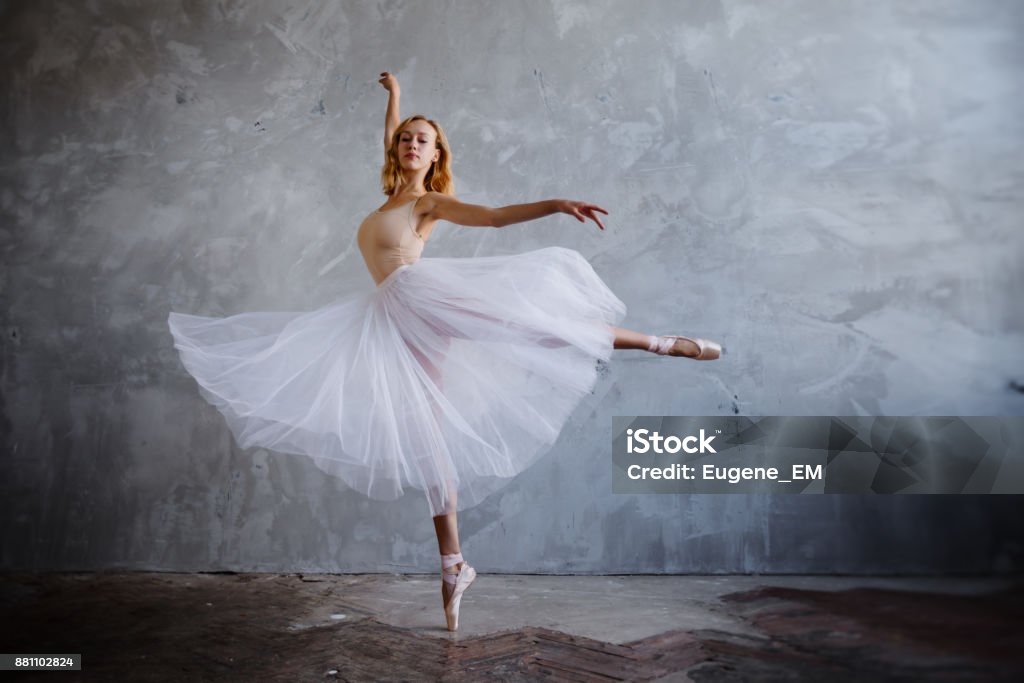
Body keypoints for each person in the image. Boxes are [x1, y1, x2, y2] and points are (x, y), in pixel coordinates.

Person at [167, 70, 722, 632]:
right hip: (394, 320)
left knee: (530, 326)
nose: (410, 144)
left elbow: (496, 217)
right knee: (428, 435)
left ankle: (661, 342)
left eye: (422, 140)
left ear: (436, 155)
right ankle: (454, 564)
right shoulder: (391, 196)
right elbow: (390, 134)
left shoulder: (429, 203)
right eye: (406, 138)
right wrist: (397, 99)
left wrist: (556, 203)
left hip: (422, 297)